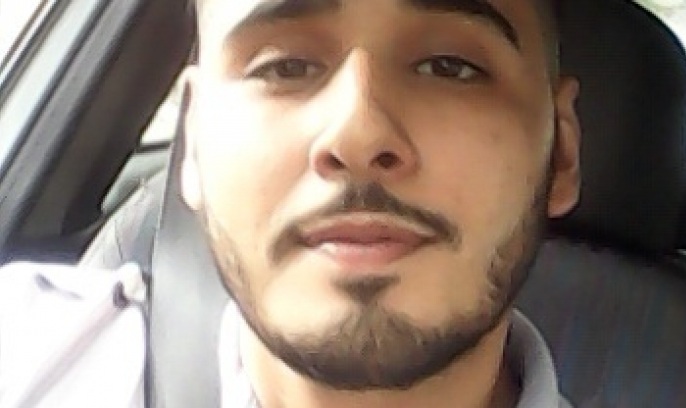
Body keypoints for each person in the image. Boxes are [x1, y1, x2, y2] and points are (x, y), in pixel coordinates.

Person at [0, 0, 581, 407]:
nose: (357, 134)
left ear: (560, 151)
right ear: (193, 143)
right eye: (285, 67)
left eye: (449, 68)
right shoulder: (26, 347)